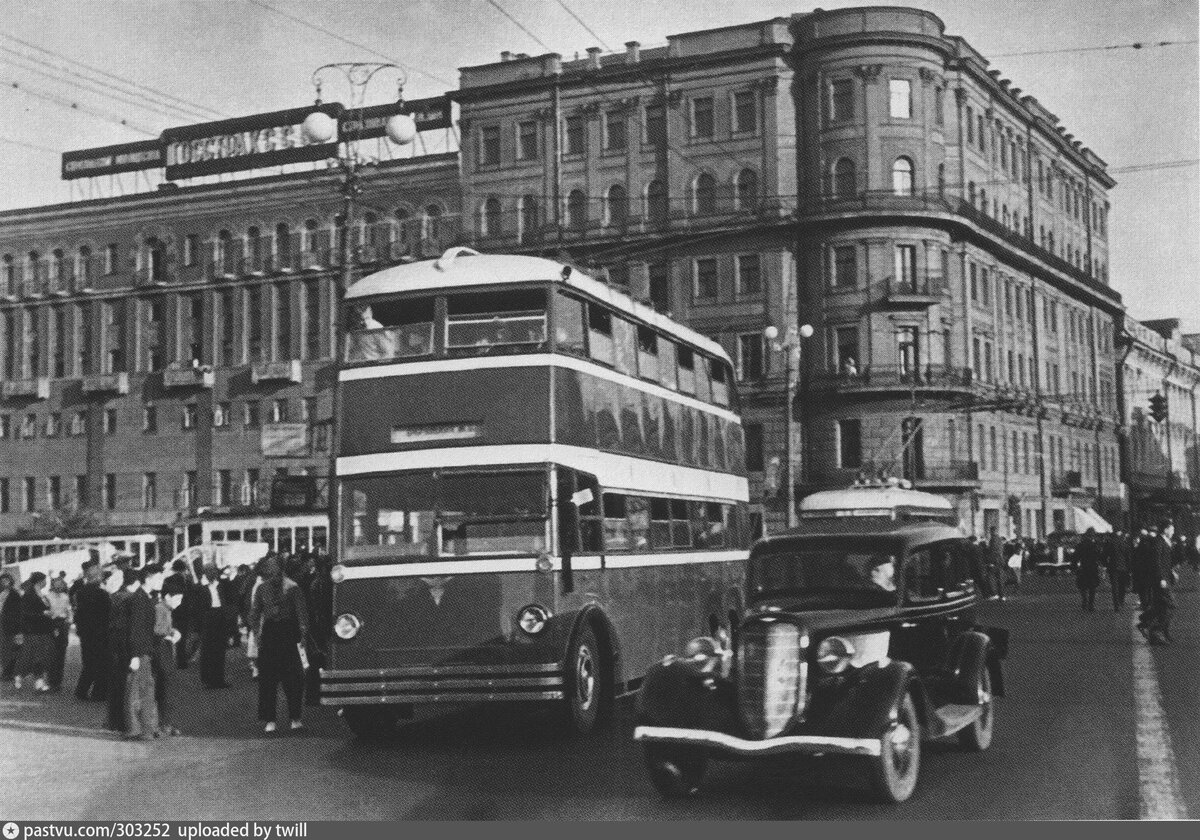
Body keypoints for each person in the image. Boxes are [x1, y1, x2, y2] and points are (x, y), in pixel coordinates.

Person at [250, 555, 310, 733]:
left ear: (281, 571)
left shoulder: (293, 588)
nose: (273, 577)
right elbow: (254, 613)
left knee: (294, 678)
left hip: (288, 632)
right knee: (267, 679)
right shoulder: (262, 589)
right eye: (270, 573)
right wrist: (256, 634)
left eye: (276, 573)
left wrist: (303, 635)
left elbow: (301, 613)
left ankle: (295, 718)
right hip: (270, 632)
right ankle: (270, 719)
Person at [122, 567, 159, 740]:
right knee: (140, 690)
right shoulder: (140, 599)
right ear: (149, 578)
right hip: (140, 651)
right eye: (159, 576)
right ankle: (138, 728)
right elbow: (136, 629)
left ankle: (143, 728)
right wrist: (135, 655)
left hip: (143, 650)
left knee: (142, 689)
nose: (161, 580)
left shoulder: (143, 597)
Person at [146, 564, 182, 737]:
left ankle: (166, 723)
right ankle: (161, 724)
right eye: (177, 598)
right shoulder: (160, 609)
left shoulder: (166, 609)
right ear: (168, 596)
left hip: (165, 651)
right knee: (163, 687)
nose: (179, 602)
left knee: (167, 688)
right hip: (161, 651)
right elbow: (156, 630)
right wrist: (170, 634)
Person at [74, 560, 110, 701]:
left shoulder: (81, 592)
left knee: (89, 663)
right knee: (102, 663)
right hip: (100, 632)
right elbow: (107, 612)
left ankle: (81, 690)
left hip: (86, 632)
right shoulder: (101, 594)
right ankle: (99, 693)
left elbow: (79, 614)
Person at [13, 572, 54, 692]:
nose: (46, 582)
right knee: (31, 656)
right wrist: (43, 614)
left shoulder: (42, 595)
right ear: (40, 581)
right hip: (33, 630)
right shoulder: (29, 595)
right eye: (44, 580)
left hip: (43, 630)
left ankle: (38, 681)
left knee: (40, 656)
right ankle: (20, 675)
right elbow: (25, 614)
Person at [1142, 520, 1179, 645]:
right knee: (1171, 605)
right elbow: (1156, 561)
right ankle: (1156, 629)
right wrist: (1161, 578)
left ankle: (1151, 626)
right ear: (1166, 529)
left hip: (1164, 578)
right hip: (1160, 580)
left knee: (1160, 605)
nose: (1173, 532)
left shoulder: (1163, 541)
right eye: (1171, 529)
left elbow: (1164, 561)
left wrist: (1171, 571)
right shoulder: (1158, 542)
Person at [197, 563, 233, 688]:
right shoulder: (199, 587)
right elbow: (196, 608)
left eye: (215, 570)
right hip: (208, 617)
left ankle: (219, 678)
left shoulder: (221, 585)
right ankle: (208, 680)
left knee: (220, 649)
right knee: (208, 650)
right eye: (210, 571)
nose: (214, 573)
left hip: (220, 616)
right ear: (205, 572)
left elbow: (228, 599)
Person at [104, 566, 131, 731]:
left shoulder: (113, 598)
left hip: (113, 642)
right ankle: (120, 720)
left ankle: (114, 720)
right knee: (123, 683)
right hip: (121, 643)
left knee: (115, 683)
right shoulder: (126, 599)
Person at [164, 560, 194, 669]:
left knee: (169, 635)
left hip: (171, 611)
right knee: (183, 637)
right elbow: (191, 597)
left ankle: (169, 660)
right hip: (184, 612)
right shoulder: (187, 581)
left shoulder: (167, 580)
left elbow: (164, 595)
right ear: (183, 569)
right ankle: (181, 661)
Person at [45, 574, 73, 691]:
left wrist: (69, 621)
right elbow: (45, 611)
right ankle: (51, 680)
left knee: (61, 652)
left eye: (61, 584)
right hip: (51, 624)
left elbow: (69, 611)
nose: (59, 586)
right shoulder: (47, 597)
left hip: (62, 625)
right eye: (56, 584)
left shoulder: (65, 597)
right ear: (52, 585)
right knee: (52, 653)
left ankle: (58, 681)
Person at [1073, 528, 1102, 612]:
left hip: (1083, 567)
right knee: (1092, 586)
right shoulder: (1094, 545)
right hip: (1092, 567)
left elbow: (1076, 556)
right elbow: (1098, 556)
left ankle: (1085, 600)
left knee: (1083, 586)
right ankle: (1091, 604)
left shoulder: (1081, 544)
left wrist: (1074, 566)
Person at [0, 572, 21, 682]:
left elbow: (18, 612)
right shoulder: (1, 592)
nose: (4, 582)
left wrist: (17, 627)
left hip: (10, 625)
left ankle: (8, 672)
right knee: (3, 650)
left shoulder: (15, 594)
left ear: (11, 581)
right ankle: (6, 672)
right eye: (2, 580)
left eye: (6, 580)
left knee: (10, 650)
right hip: (1, 624)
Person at [1106, 530, 1132, 612]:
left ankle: (1116, 605)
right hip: (1124, 568)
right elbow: (1128, 557)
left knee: (1115, 587)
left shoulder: (1110, 544)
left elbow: (1104, 555)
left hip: (1113, 567)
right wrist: (1129, 568)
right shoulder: (1125, 544)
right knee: (1122, 586)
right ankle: (1121, 601)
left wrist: (1106, 564)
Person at [986, 528, 1007, 601]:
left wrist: (990, 562)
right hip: (1000, 561)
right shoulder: (999, 539)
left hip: (994, 561)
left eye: (991, 531)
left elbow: (993, 551)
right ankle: (1002, 595)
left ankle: (994, 594)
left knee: (990, 577)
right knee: (1000, 578)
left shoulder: (993, 539)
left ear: (992, 531)